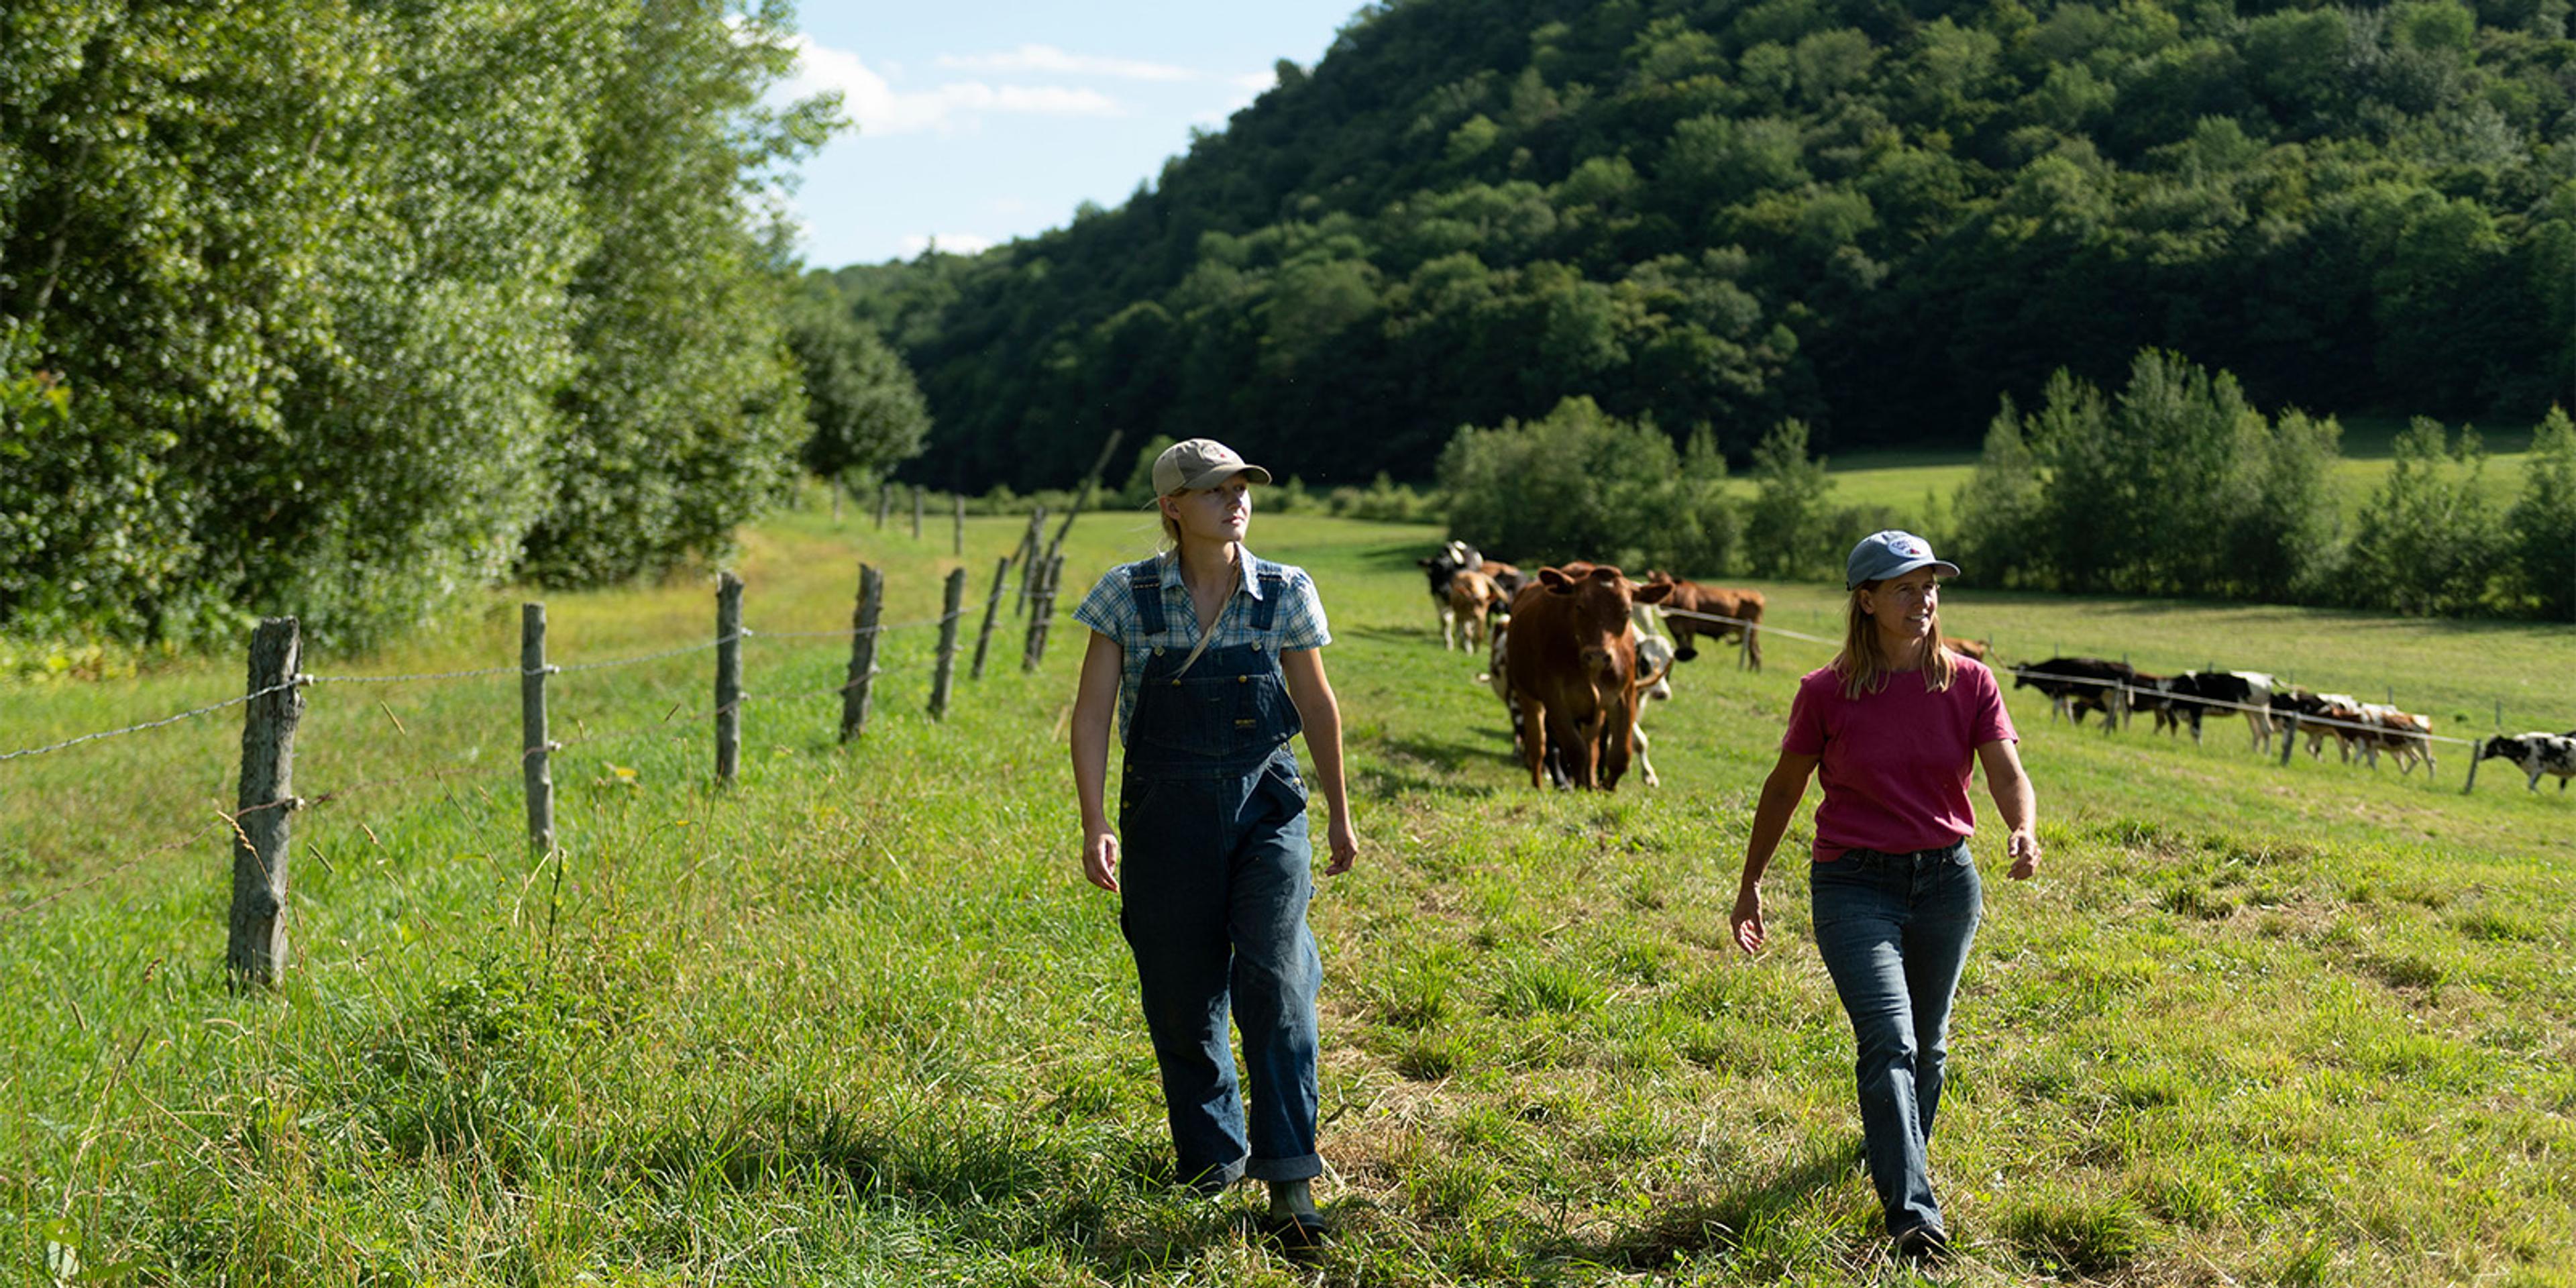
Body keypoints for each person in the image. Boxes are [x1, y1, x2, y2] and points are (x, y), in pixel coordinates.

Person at [1067, 437, 1360, 1248]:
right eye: (1213, 491)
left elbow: (1317, 705)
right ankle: (1210, 1164)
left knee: (1279, 979)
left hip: (1268, 809)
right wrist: (1095, 820)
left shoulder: (1286, 590)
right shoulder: (1125, 595)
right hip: (1163, 815)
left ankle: (1291, 1181)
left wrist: (1339, 812)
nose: (1235, 502)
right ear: (1172, 506)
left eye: (1241, 488)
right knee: (1181, 996)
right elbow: (1091, 714)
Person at [1727, 530, 2040, 1263]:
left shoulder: (1970, 682)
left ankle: (1897, 1157)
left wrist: (2022, 827)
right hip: (1853, 883)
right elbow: (1784, 789)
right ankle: (1913, 1216)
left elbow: (2005, 772)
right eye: (1905, 588)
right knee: (1890, 1041)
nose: (1923, 600)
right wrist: (1750, 885)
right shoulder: (1825, 692)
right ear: (1866, 601)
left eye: (1930, 586)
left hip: (1946, 883)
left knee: (1929, 1046)